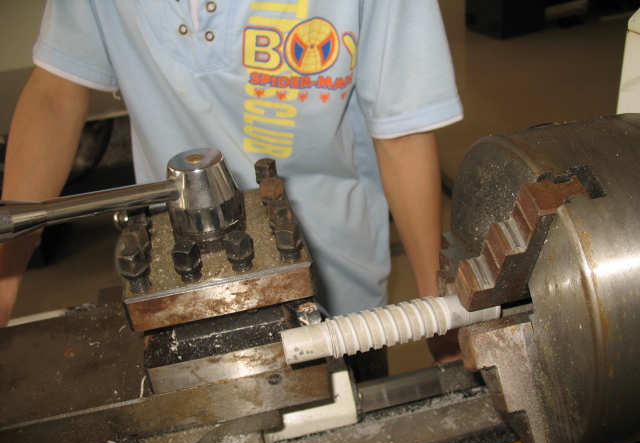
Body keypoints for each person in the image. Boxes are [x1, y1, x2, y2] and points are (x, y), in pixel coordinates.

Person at [0, 1, 462, 363]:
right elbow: (56, 93)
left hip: (342, 303)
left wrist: (438, 309)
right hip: (180, 292)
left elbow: (403, 135)